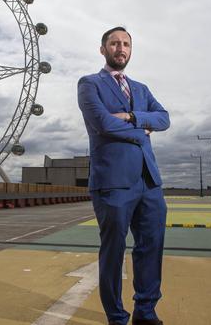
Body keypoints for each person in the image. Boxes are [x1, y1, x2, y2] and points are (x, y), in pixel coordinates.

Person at [77, 26, 170, 325]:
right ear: (102, 49)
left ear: (131, 50)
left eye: (126, 44)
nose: (121, 48)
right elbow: (102, 124)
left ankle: (146, 311)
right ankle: (116, 317)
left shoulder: (141, 89)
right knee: (114, 252)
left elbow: (164, 119)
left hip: (149, 182)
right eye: (114, 43)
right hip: (113, 182)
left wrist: (132, 118)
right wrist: (142, 132)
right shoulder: (89, 84)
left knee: (151, 248)